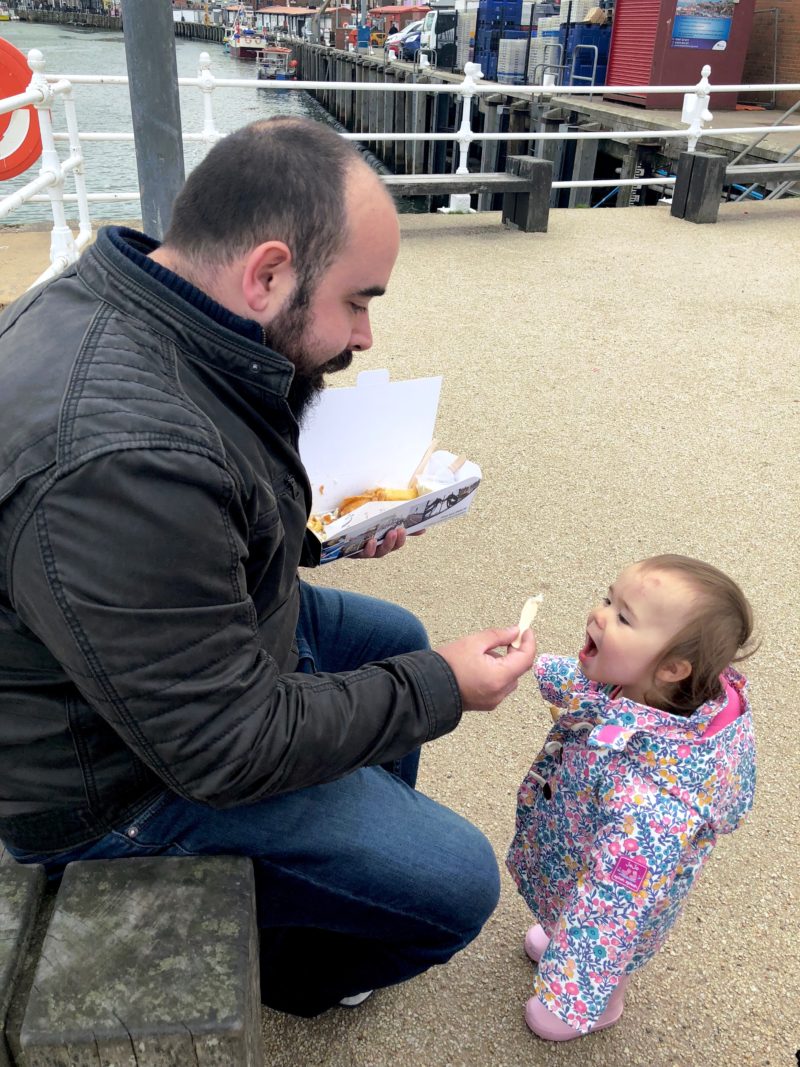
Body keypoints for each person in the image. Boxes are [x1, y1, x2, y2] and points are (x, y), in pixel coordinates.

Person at [0, 117, 536, 1017]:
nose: (364, 335)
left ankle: (329, 855)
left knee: (391, 637)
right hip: (104, 778)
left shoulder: (141, 305)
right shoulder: (122, 457)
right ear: (269, 273)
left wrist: (322, 535)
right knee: (456, 881)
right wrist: (441, 685)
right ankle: (300, 971)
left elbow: (194, 519)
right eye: (359, 300)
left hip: (130, 669)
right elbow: (226, 745)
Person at [506, 554, 756, 1041]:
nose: (599, 615)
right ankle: (560, 933)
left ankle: (597, 1003)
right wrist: (532, 668)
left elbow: (612, 906)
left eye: (622, 617)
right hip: (577, 835)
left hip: (621, 883)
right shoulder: (640, 686)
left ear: (673, 668)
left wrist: (571, 989)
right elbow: (589, 691)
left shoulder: (653, 803)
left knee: (596, 923)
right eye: (607, 599)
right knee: (567, 902)